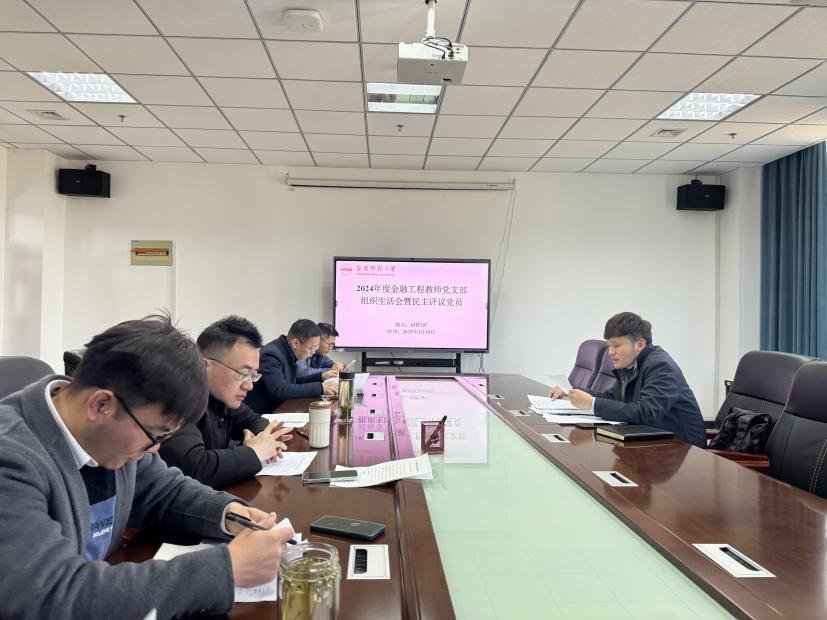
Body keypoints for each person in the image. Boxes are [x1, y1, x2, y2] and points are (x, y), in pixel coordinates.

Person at [0, 314, 295, 619]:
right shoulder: (10, 461)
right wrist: (225, 570)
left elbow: (165, 491)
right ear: (100, 405)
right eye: (156, 434)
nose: (156, 449)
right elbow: (51, 596)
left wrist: (229, 514)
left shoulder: (111, 437)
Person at [159, 315, 292, 489]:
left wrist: (263, 439)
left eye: (253, 375)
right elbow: (195, 467)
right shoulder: (180, 399)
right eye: (242, 373)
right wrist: (254, 452)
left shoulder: (222, 397)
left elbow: (254, 420)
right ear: (204, 365)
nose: (249, 385)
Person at [548, 312, 706, 448]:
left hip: (683, 450)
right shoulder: (631, 363)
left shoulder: (661, 366)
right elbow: (613, 396)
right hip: (652, 440)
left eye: (616, 346)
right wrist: (572, 391)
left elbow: (646, 412)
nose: (610, 352)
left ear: (640, 345)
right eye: (609, 346)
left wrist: (592, 404)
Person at [245, 319, 338, 413]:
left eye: (316, 347)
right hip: (261, 414)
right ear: (295, 343)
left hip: (280, 408)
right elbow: (279, 390)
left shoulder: (287, 351)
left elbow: (291, 382)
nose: (313, 352)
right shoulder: (272, 354)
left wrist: (320, 376)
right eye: (311, 348)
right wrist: (321, 388)